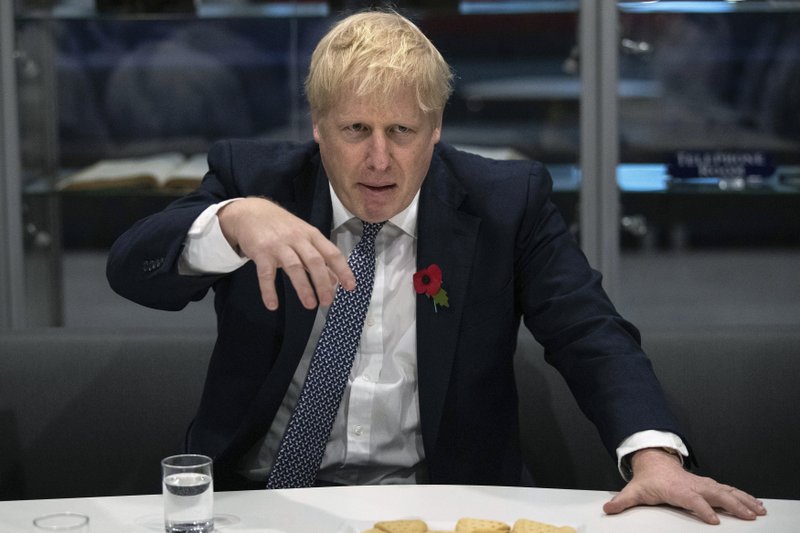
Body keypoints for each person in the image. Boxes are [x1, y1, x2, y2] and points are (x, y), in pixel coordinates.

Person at [107, 9, 766, 525]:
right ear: (317, 125)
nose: (379, 161)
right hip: (258, 502)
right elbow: (130, 270)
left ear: (437, 128)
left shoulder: (506, 202)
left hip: (442, 505)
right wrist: (230, 221)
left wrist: (653, 454)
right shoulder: (255, 181)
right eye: (356, 130)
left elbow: (588, 330)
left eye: (402, 131)